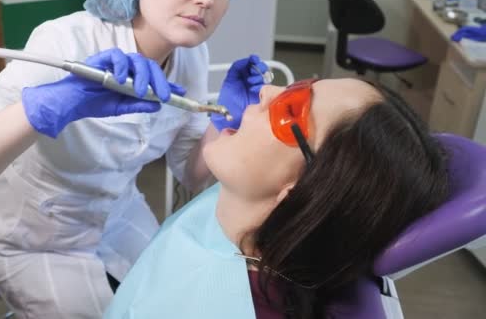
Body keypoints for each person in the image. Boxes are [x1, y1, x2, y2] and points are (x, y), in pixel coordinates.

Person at [0, 0, 269, 318]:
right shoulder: (65, 40)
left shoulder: (193, 56)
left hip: (116, 211)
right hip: (32, 233)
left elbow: (190, 172)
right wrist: (46, 108)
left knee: (169, 294)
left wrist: (226, 120)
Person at [104, 78, 450, 319]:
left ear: (300, 190)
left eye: (290, 108)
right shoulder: (233, 210)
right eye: (299, 87)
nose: (268, 91)